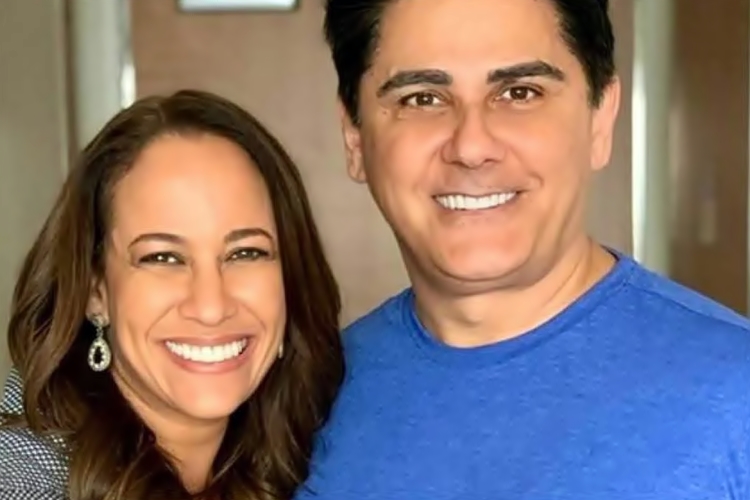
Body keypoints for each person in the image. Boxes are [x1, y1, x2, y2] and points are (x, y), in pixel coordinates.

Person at [293, 0, 750, 498]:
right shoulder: (304, 399)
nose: (471, 147)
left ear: (600, 119)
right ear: (354, 137)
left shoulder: (737, 395)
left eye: (520, 92)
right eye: (422, 98)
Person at [0, 89, 344, 499]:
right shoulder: (21, 481)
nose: (211, 307)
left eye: (246, 253)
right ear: (95, 290)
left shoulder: (319, 448)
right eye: (163, 258)